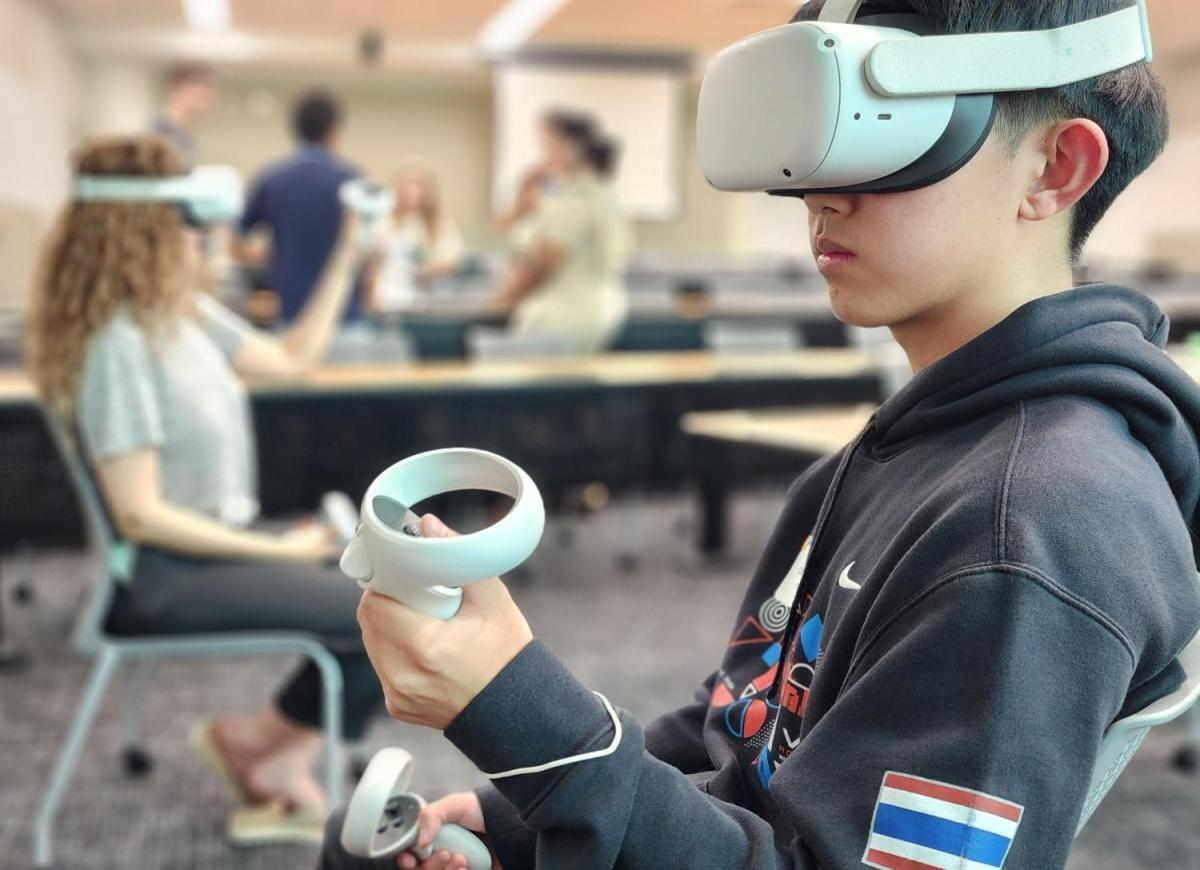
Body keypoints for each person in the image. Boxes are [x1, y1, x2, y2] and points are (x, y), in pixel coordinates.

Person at [321, 2, 1200, 869]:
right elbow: (741, 735)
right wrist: (512, 816)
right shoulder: (892, 456)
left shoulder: (1026, 535)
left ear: (1056, 168)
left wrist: (521, 716)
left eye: (889, 134)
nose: (822, 193)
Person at [26, 135, 384, 845]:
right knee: (374, 614)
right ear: (145, 232)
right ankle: (258, 748)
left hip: (207, 547)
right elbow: (141, 515)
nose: (207, 237)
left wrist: (348, 254)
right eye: (191, 223)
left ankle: (259, 748)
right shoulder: (117, 343)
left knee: (386, 586)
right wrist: (279, 551)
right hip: (159, 576)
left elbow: (290, 357)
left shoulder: (176, 314)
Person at [494, 110, 631, 355]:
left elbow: (543, 264)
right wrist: (523, 195)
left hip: (562, 318)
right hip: (593, 312)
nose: (543, 154)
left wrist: (501, 301)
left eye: (547, 144)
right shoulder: (600, 192)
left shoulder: (573, 198)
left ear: (569, 148)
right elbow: (509, 227)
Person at [233, 89, 360, 324]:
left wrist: (271, 257)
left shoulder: (271, 179)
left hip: (291, 312)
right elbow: (366, 248)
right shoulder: (351, 181)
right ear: (334, 129)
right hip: (343, 314)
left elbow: (237, 241)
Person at [365, 162, 466, 314]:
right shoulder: (383, 218)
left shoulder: (438, 222)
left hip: (424, 301)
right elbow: (369, 261)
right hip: (386, 299)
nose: (413, 191)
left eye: (419, 185)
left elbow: (455, 259)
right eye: (408, 184)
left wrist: (432, 268)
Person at [151, 62, 216, 169]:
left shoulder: (183, 135)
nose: (209, 94)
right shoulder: (158, 134)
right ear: (177, 90)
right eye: (200, 92)